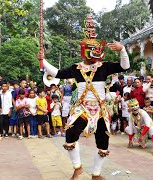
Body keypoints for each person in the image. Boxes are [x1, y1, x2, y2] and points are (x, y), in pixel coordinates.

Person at [41, 16, 129, 179]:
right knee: (70, 135)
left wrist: (122, 49)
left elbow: (125, 66)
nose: (96, 52)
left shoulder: (105, 67)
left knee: (103, 141)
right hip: (82, 108)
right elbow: (58, 73)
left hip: (100, 109)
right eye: (91, 48)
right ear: (84, 49)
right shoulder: (76, 68)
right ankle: (78, 167)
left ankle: (96, 174)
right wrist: (43, 60)